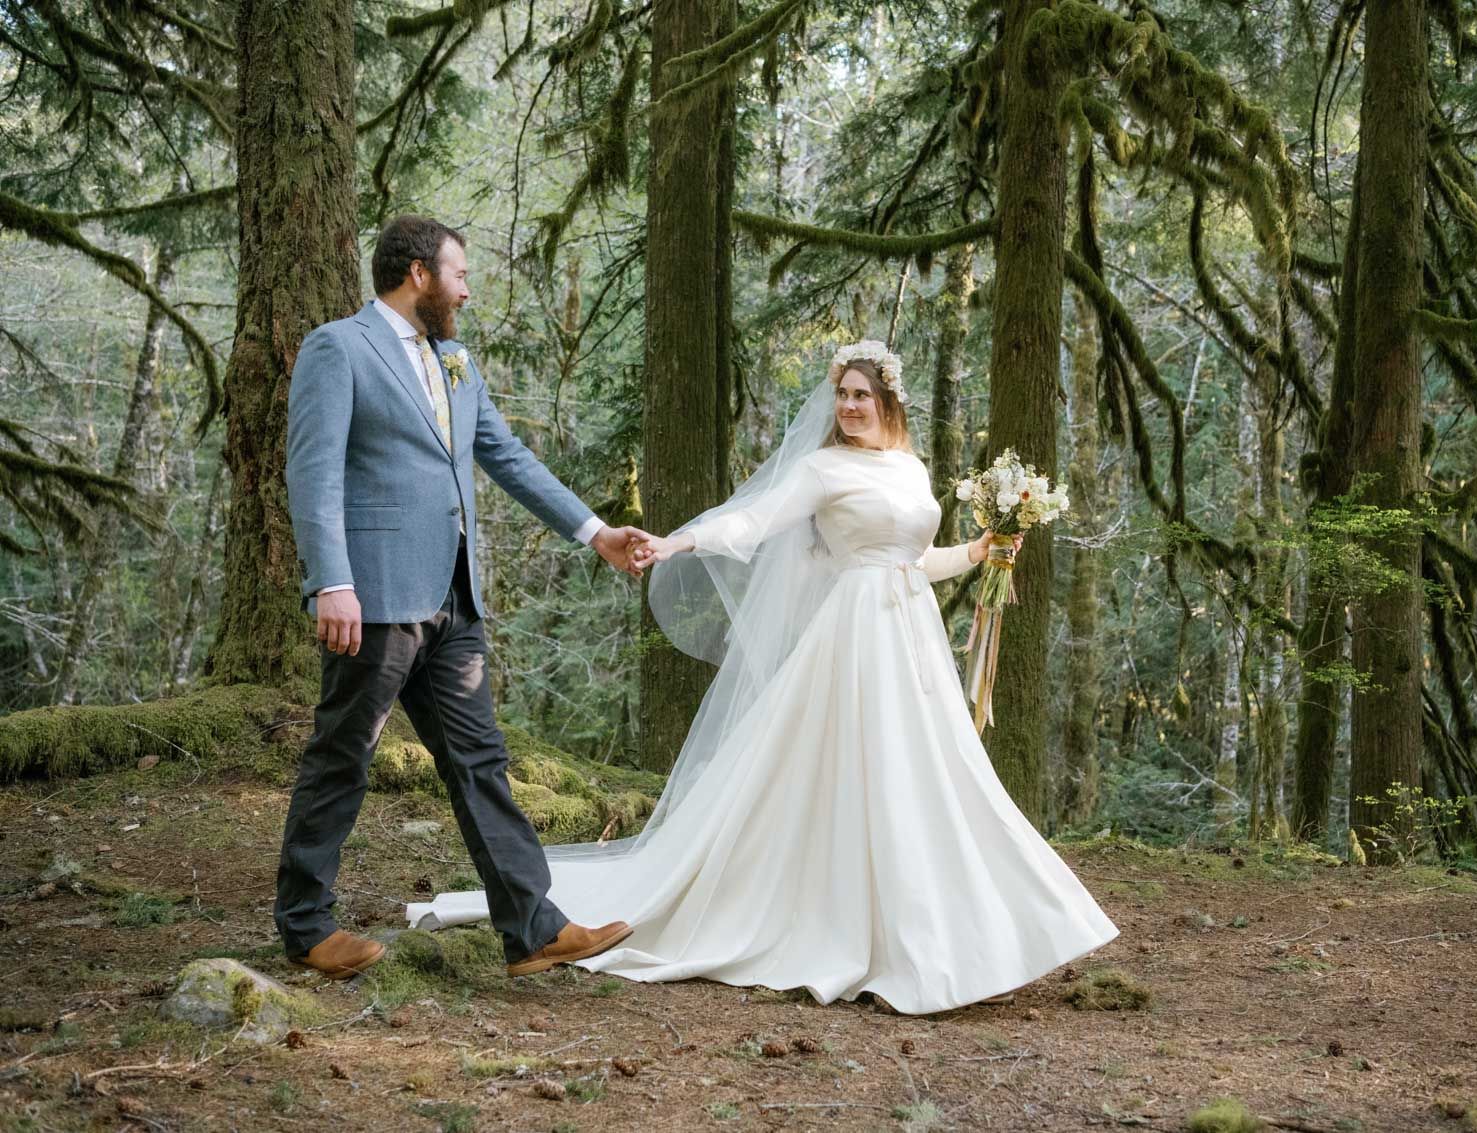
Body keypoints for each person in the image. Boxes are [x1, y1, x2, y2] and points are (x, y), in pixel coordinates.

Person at [408, 340, 1117, 1013]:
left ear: (889, 401)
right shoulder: (822, 469)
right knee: (865, 776)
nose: (848, 406)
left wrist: (984, 548)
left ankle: (955, 934)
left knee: (930, 773)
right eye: (841, 393)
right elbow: (751, 521)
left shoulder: (910, 468)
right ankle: (870, 933)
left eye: (861, 394)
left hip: (913, 635)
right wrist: (677, 540)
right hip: (854, 638)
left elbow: (916, 559)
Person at [280, 216, 645, 980]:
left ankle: (532, 926)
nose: (468, 289)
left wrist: (595, 531)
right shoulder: (339, 347)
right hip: (374, 596)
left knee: (481, 759)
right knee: (344, 754)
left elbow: (505, 455)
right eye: (460, 273)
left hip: (454, 599)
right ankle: (306, 924)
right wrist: (332, 581)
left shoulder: (455, 360)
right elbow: (312, 473)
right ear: (418, 273)